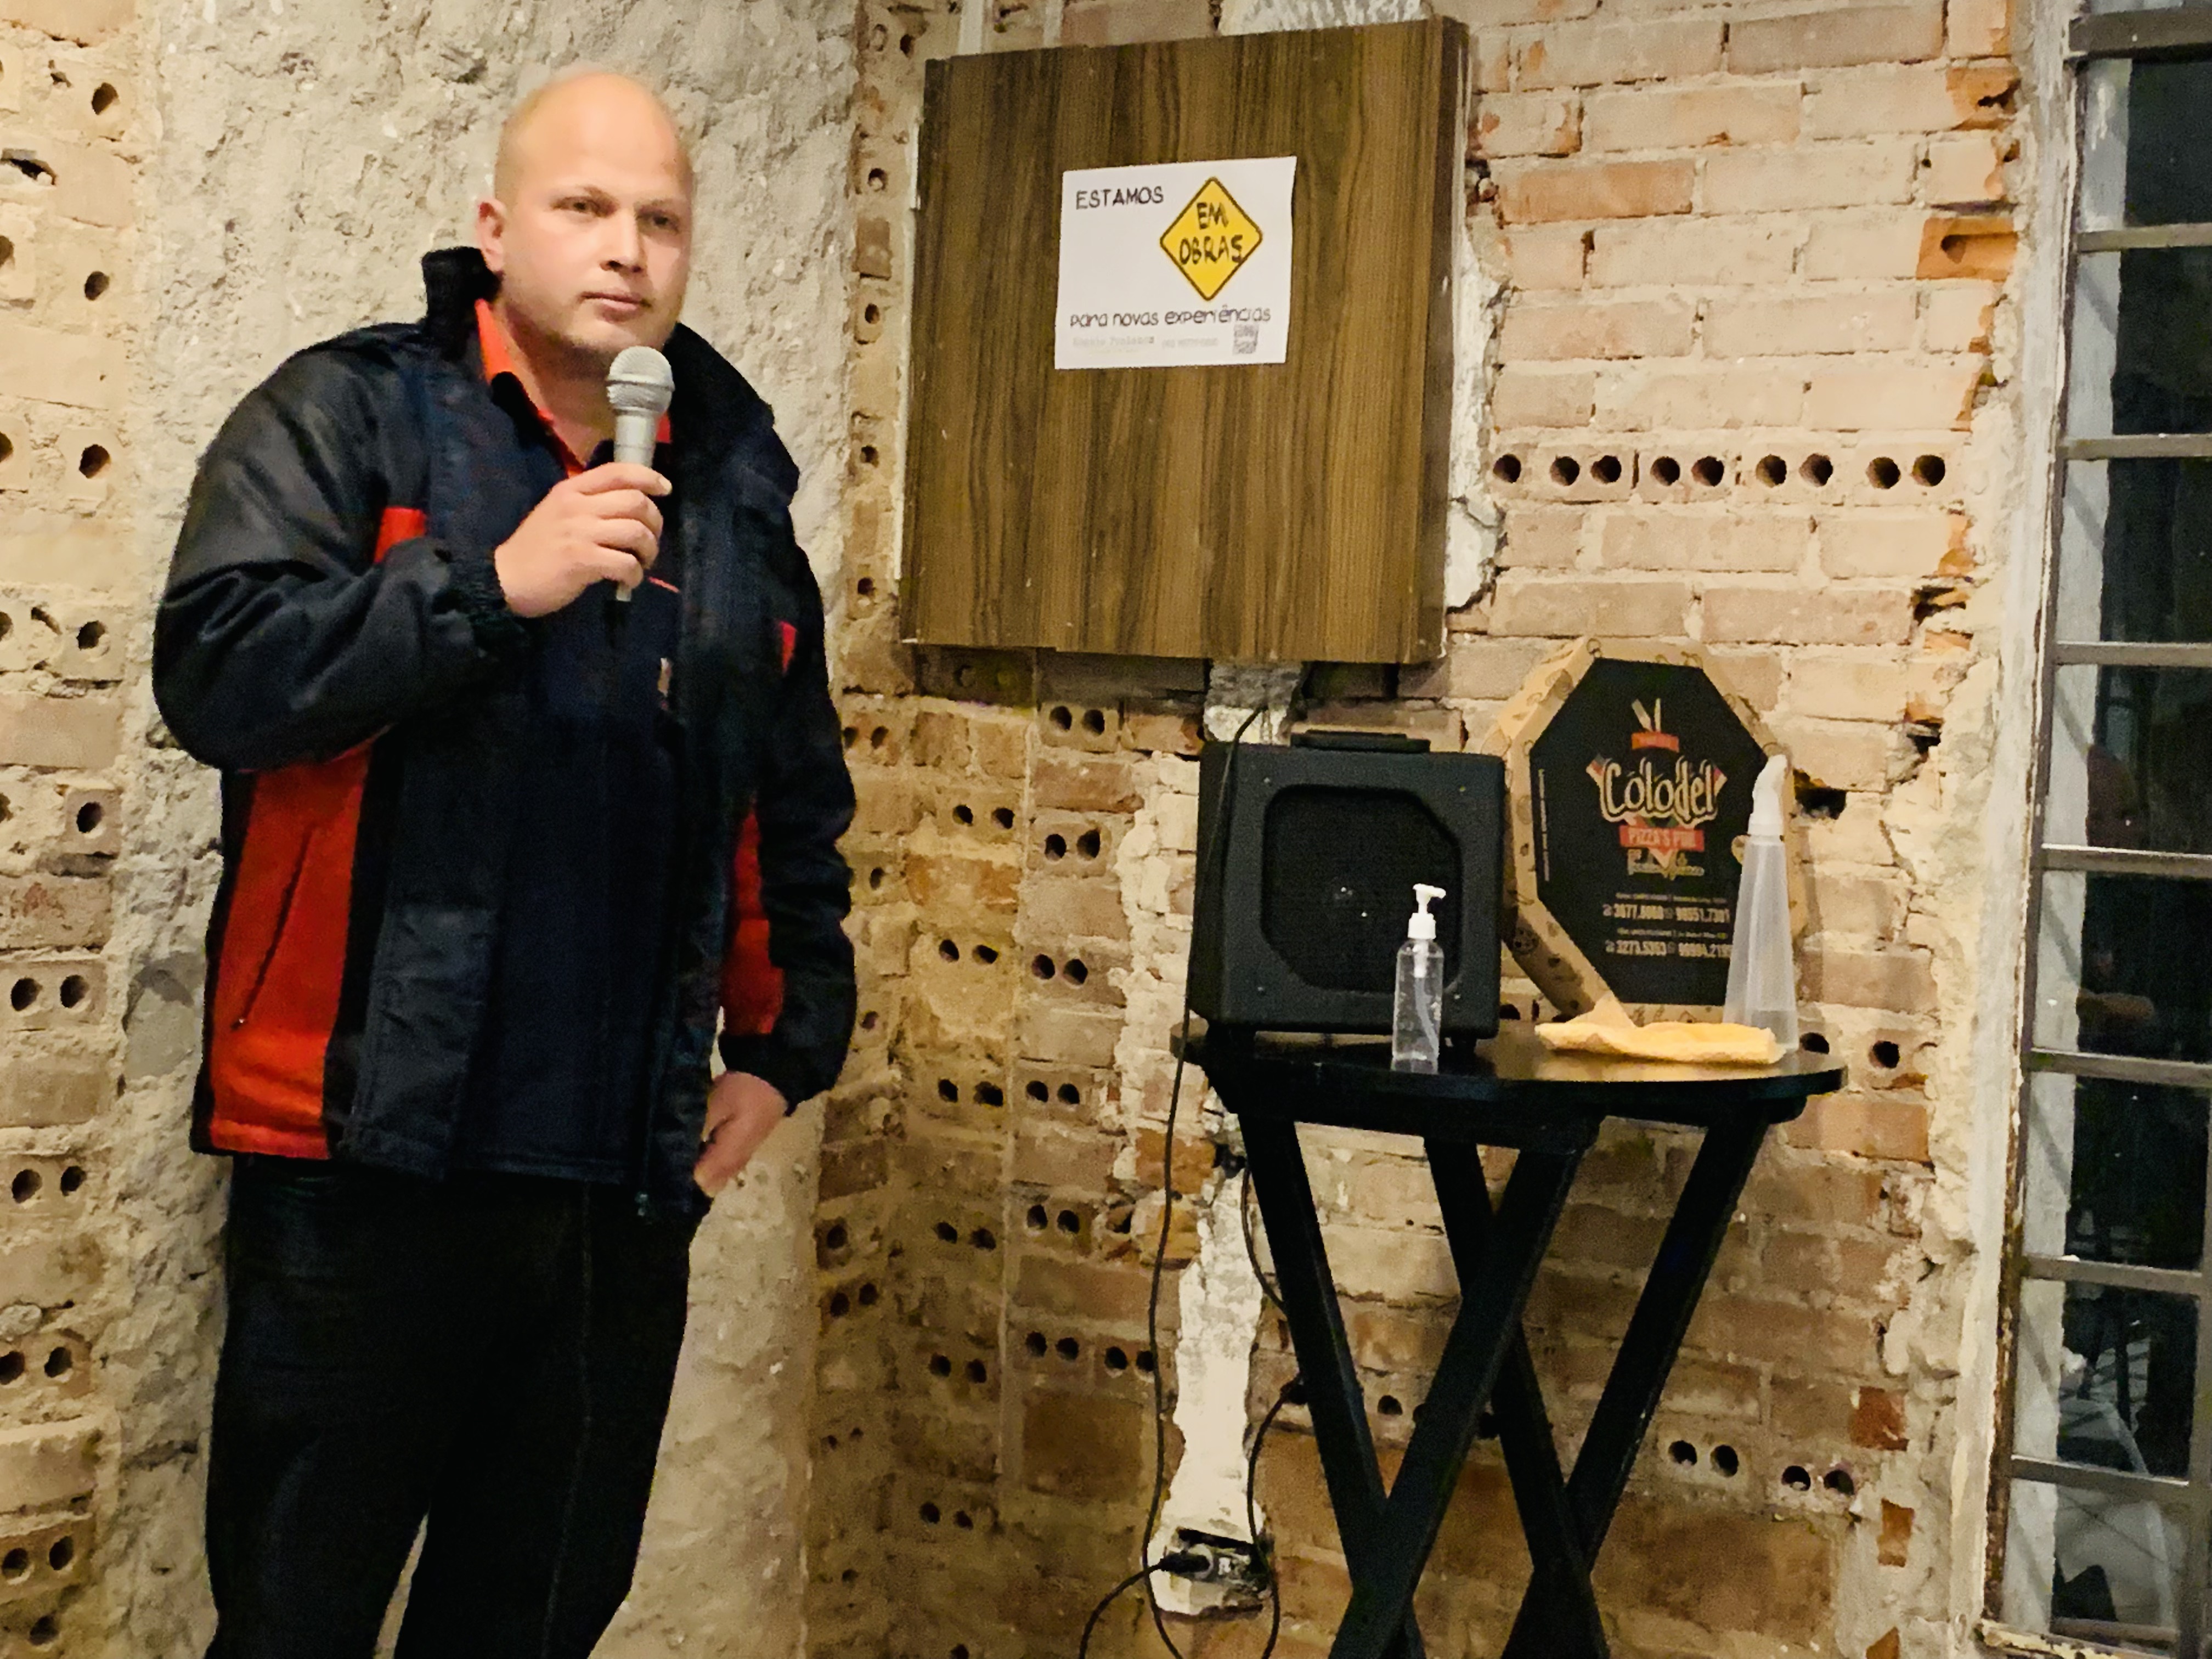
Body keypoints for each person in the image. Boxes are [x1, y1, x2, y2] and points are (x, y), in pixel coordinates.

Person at [153, 70, 855, 1658]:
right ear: (494, 228)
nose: (626, 249)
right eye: (584, 207)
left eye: (661, 219)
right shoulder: (351, 414)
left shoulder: (732, 485)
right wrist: (492, 587)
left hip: (614, 1180)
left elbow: (789, 796)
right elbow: (220, 674)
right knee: (296, 1617)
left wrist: (786, 1047)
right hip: (365, 1157)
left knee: (535, 1619)